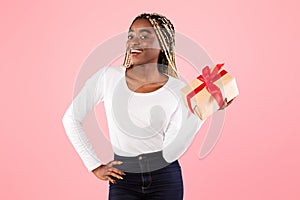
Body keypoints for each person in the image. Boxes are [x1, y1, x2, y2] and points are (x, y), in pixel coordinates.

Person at [62, 12, 229, 200]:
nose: (133, 42)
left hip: (165, 178)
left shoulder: (178, 89)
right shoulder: (107, 78)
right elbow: (71, 118)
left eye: (143, 36)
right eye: (130, 36)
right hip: (124, 178)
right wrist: (93, 165)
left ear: (163, 43)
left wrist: (205, 110)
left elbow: (173, 147)